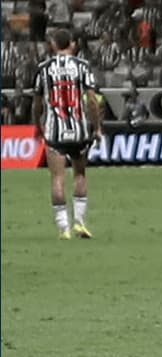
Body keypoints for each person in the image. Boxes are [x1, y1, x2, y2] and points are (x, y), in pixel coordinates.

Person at [32, 28, 102, 239]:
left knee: (57, 178)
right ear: (71, 44)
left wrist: (37, 124)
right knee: (80, 174)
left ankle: (64, 228)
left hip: (55, 131)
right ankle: (80, 222)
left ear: (53, 45)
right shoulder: (82, 66)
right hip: (79, 129)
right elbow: (91, 100)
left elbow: (36, 103)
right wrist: (96, 126)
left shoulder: (44, 69)